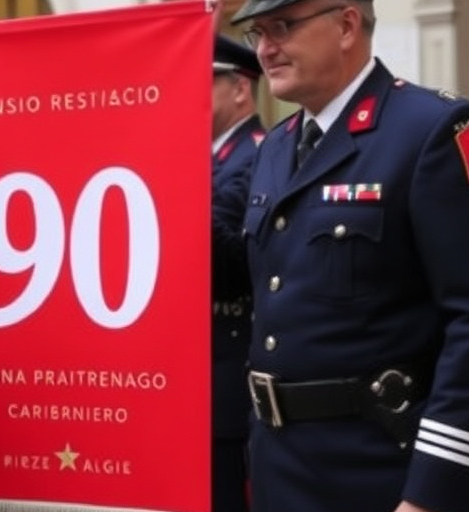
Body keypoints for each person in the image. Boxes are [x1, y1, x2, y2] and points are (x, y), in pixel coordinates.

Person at [231, 1, 469, 511]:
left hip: (385, 473)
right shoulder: (276, 147)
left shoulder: (432, 130)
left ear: (347, 25)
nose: (265, 48)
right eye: (257, 33)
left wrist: (433, 492)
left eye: (282, 27)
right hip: (282, 469)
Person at [208, 33, 263, 512]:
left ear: (240, 88)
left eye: (203, 83)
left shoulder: (258, 155)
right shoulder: (212, 156)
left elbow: (229, 262)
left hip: (227, 379)